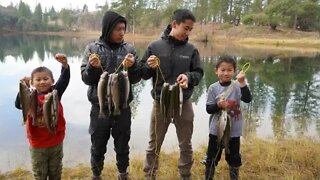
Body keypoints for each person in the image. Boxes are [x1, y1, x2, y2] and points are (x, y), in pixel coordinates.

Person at [140, 9, 203, 180]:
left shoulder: (192, 50)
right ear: (174, 24)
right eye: (186, 28)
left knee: (186, 144)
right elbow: (143, 74)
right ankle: (150, 175)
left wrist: (189, 77)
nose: (188, 32)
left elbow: (198, 73)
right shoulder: (154, 46)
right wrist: (148, 65)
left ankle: (185, 175)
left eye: (191, 29)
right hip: (160, 103)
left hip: (184, 103)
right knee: (154, 144)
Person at [80, 11, 141, 180]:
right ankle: (96, 174)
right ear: (108, 29)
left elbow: (136, 78)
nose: (122, 32)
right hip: (99, 108)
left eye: (123, 29)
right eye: (118, 29)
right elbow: (86, 79)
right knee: (97, 145)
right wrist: (92, 67)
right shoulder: (92, 49)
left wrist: (134, 65)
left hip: (123, 108)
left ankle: (122, 173)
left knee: (123, 144)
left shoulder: (129, 50)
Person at [14, 54, 70, 180]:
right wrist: (22, 86)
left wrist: (65, 66)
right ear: (32, 83)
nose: (42, 82)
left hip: (56, 141)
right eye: (38, 80)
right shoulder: (29, 96)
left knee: (56, 171)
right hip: (37, 144)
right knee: (40, 173)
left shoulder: (55, 93)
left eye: (46, 79)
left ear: (52, 81)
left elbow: (64, 81)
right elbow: (18, 105)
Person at [204, 55, 252, 180]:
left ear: (234, 71)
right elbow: (209, 109)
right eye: (222, 70)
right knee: (212, 158)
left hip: (234, 131)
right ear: (216, 71)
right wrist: (218, 105)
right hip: (216, 131)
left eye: (229, 70)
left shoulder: (238, 86)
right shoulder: (213, 88)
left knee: (234, 158)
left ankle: (234, 177)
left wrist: (242, 83)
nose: (226, 73)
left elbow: (247, 99)